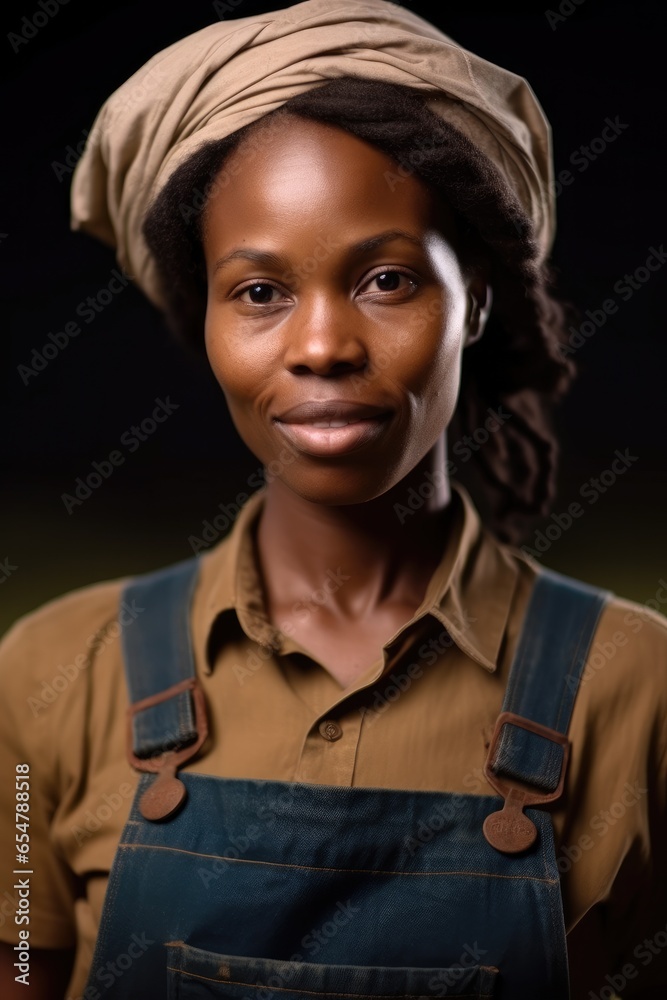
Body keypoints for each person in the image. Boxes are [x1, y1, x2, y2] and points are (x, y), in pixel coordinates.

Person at [1, 1, 666, 997]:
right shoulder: (51, 674)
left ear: (475, 299)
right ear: (208, 317)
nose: (321, 346)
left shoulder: (642, 691)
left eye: (388, 278)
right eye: (259, 291)